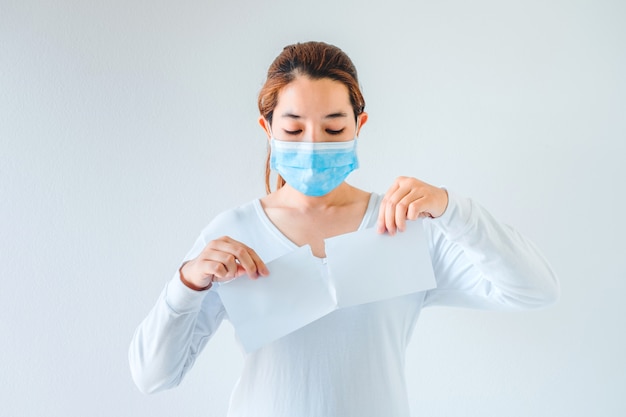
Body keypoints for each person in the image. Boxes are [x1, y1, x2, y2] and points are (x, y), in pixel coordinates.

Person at [129, 41, 559, 417]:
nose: (313, 144)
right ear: (267, 129)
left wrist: (453, 210)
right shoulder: (235, 233)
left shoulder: (402, 230)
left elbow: (534, 289)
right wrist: (186, 283)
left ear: (359, 126)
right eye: (294, 128)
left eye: (334, 128)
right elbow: (153, 377)